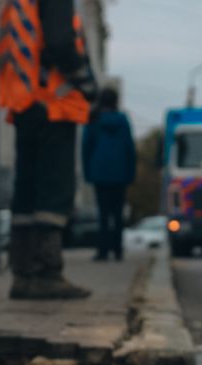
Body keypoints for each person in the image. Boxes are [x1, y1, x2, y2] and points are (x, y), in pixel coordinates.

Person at [0, 0, 97, 299]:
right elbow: (61, 44)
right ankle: (47, 272)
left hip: (26, 104)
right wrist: (87, 85)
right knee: (54, 191)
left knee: (27, 192)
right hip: (53, 105)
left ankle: (23, 273)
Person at [82, 87, 136, 262]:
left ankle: (103, 251)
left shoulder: (94, 120)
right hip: (120, 174)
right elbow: (129, 148)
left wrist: (88, 172)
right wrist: (130, 173)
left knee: (103, 214)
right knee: (118, 214)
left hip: (100, 173)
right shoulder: (123, 121)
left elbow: (86, 148)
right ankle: (118, 250)